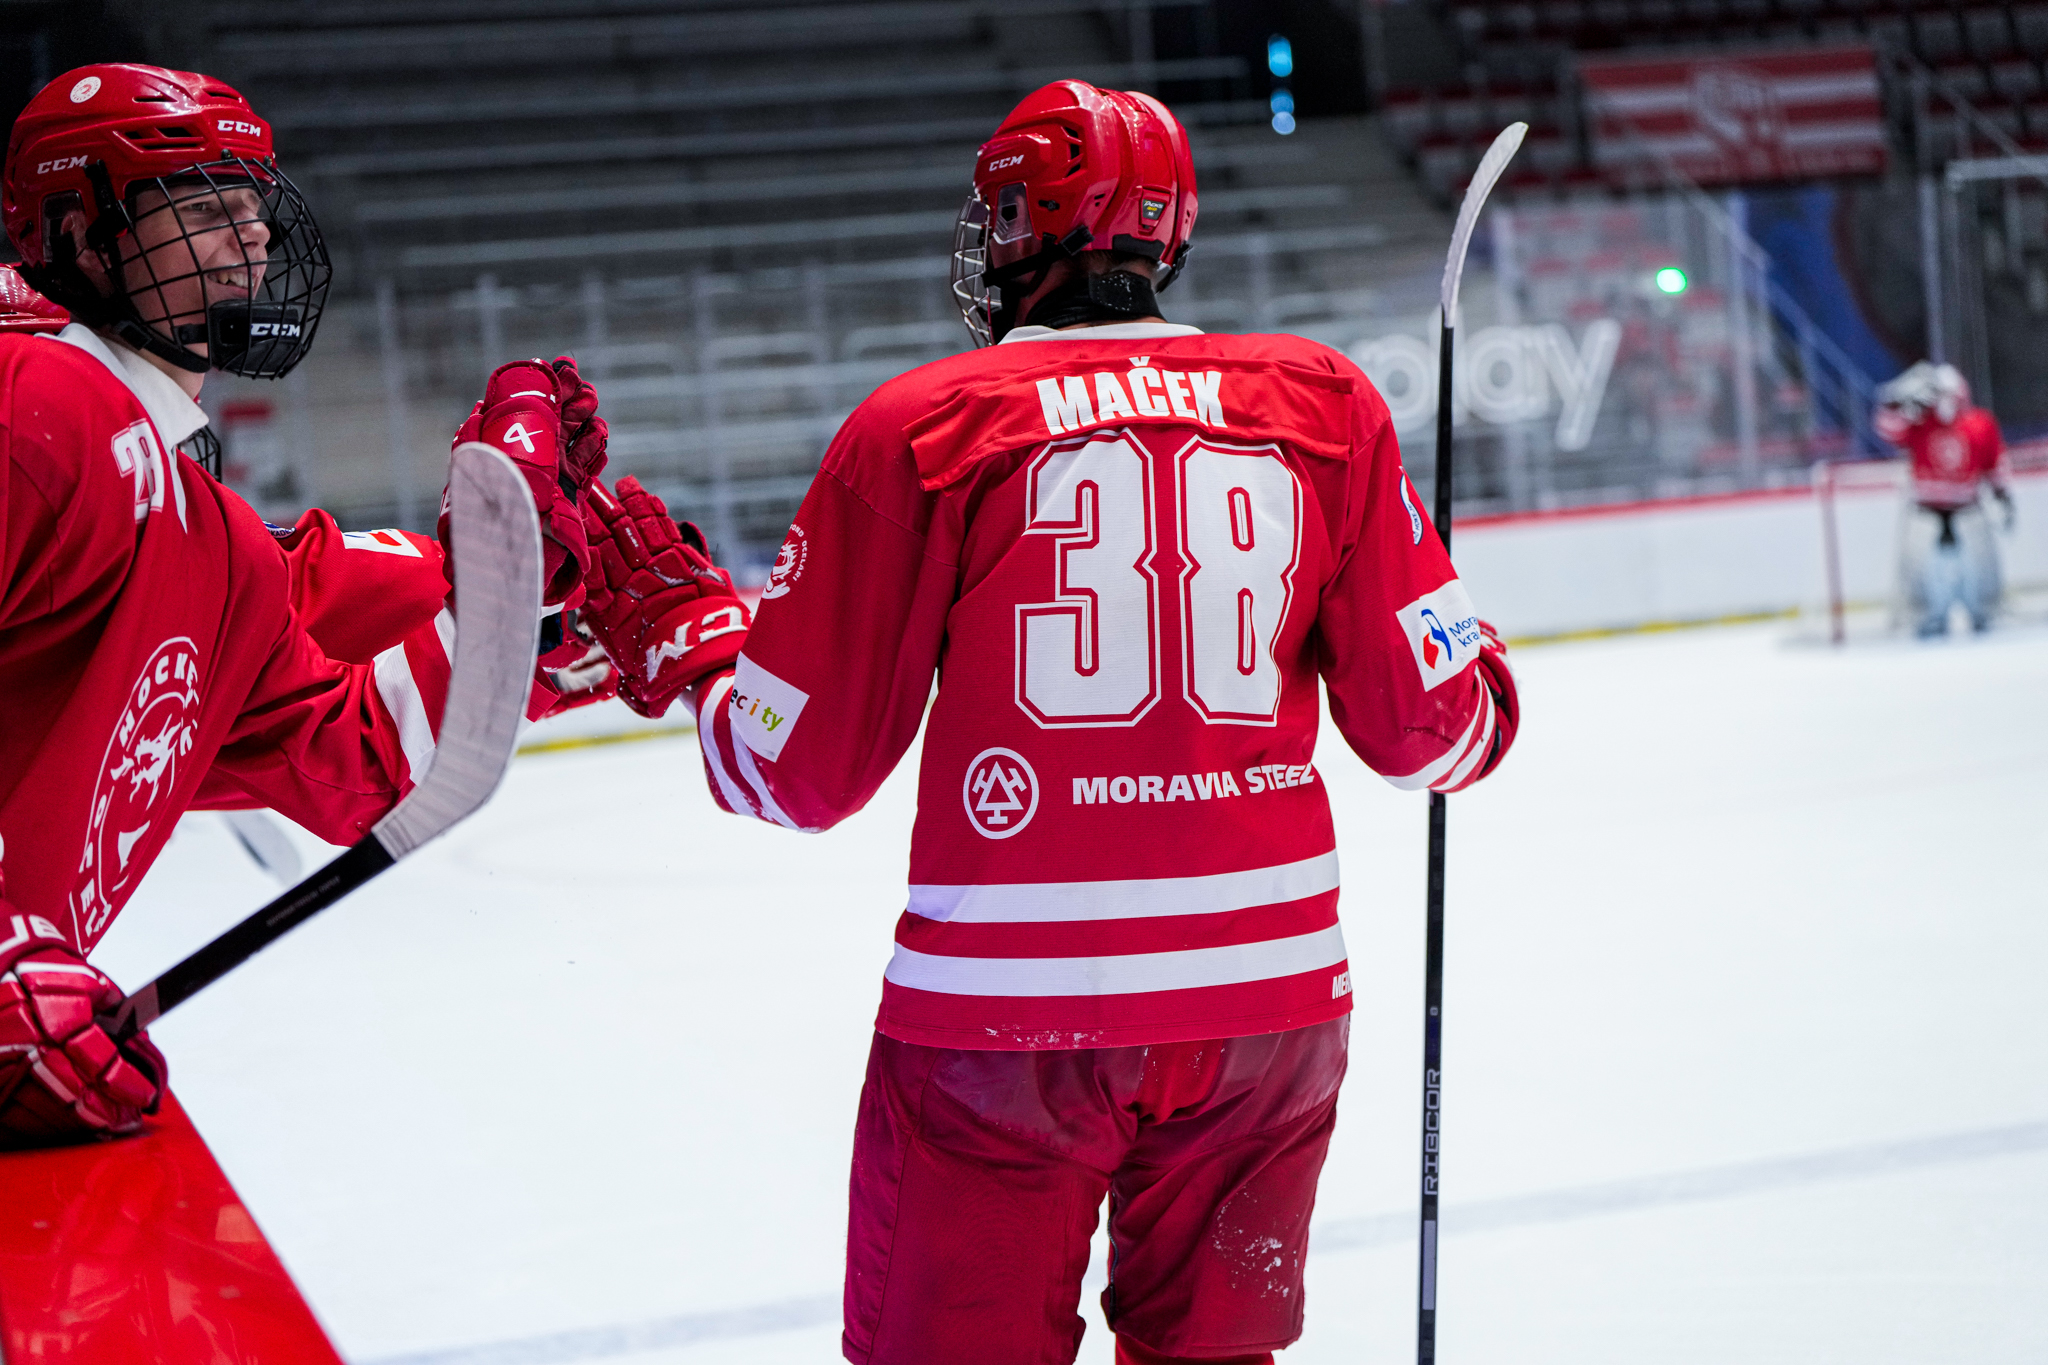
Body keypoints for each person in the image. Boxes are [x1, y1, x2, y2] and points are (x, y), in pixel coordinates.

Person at [577, 81, 1519, 1365]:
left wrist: (695, 647)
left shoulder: (923, 426)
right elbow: (1440, 735)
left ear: (1022, 224)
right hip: (1265, 1008)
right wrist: (1468, 655)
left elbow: (787, 775)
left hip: (1004, 1025)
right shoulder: (1324, 405)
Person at [0, 64, 601, 1145]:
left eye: (253, 206)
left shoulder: (210, 535)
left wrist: (528, 601)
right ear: (81, 237)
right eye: (203, 210)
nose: (252, 237)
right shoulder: (34, 406)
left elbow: (360, 758)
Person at [1874, 361, 2015, 636]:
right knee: (1917, 566)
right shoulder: (1919, 422)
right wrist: (1895, 399)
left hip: (1968, 507)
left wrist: (2002, 496)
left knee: (1982, 564)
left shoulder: (1979, 423)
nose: (1947, 402)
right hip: (1925, 509)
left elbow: (1994, 463)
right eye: (1941, 395)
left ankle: (1986, 610)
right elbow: (1887, 430)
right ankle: (1923, 615)